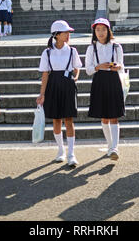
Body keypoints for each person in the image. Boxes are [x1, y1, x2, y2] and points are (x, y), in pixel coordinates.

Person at [36, 20, 82, 167]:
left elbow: (77, 68)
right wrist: (41, 94)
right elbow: (45, 74)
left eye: (69, 32)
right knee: (56, 120)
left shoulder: (72, 51)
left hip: (68, 85)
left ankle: (71, 153)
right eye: (65, 32)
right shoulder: (47, 52)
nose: (68, 35)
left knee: (69, 120)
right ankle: (61, 150)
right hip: (53, 85)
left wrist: (75, 77)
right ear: (56, 35)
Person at [85, 18, 124, 161]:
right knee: (104, 116)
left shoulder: (116, 46)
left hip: (113, 79)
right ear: (94, 32)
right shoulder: (91, 48)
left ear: (108, 30)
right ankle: (110, 145)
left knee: (114, 115)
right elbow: (88, 70)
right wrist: (98, 67)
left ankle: (115, 147)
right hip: (99, 80)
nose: (100, 32)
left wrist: (117, 67)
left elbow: (122, 66)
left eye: (103, 29)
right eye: (97, 29)